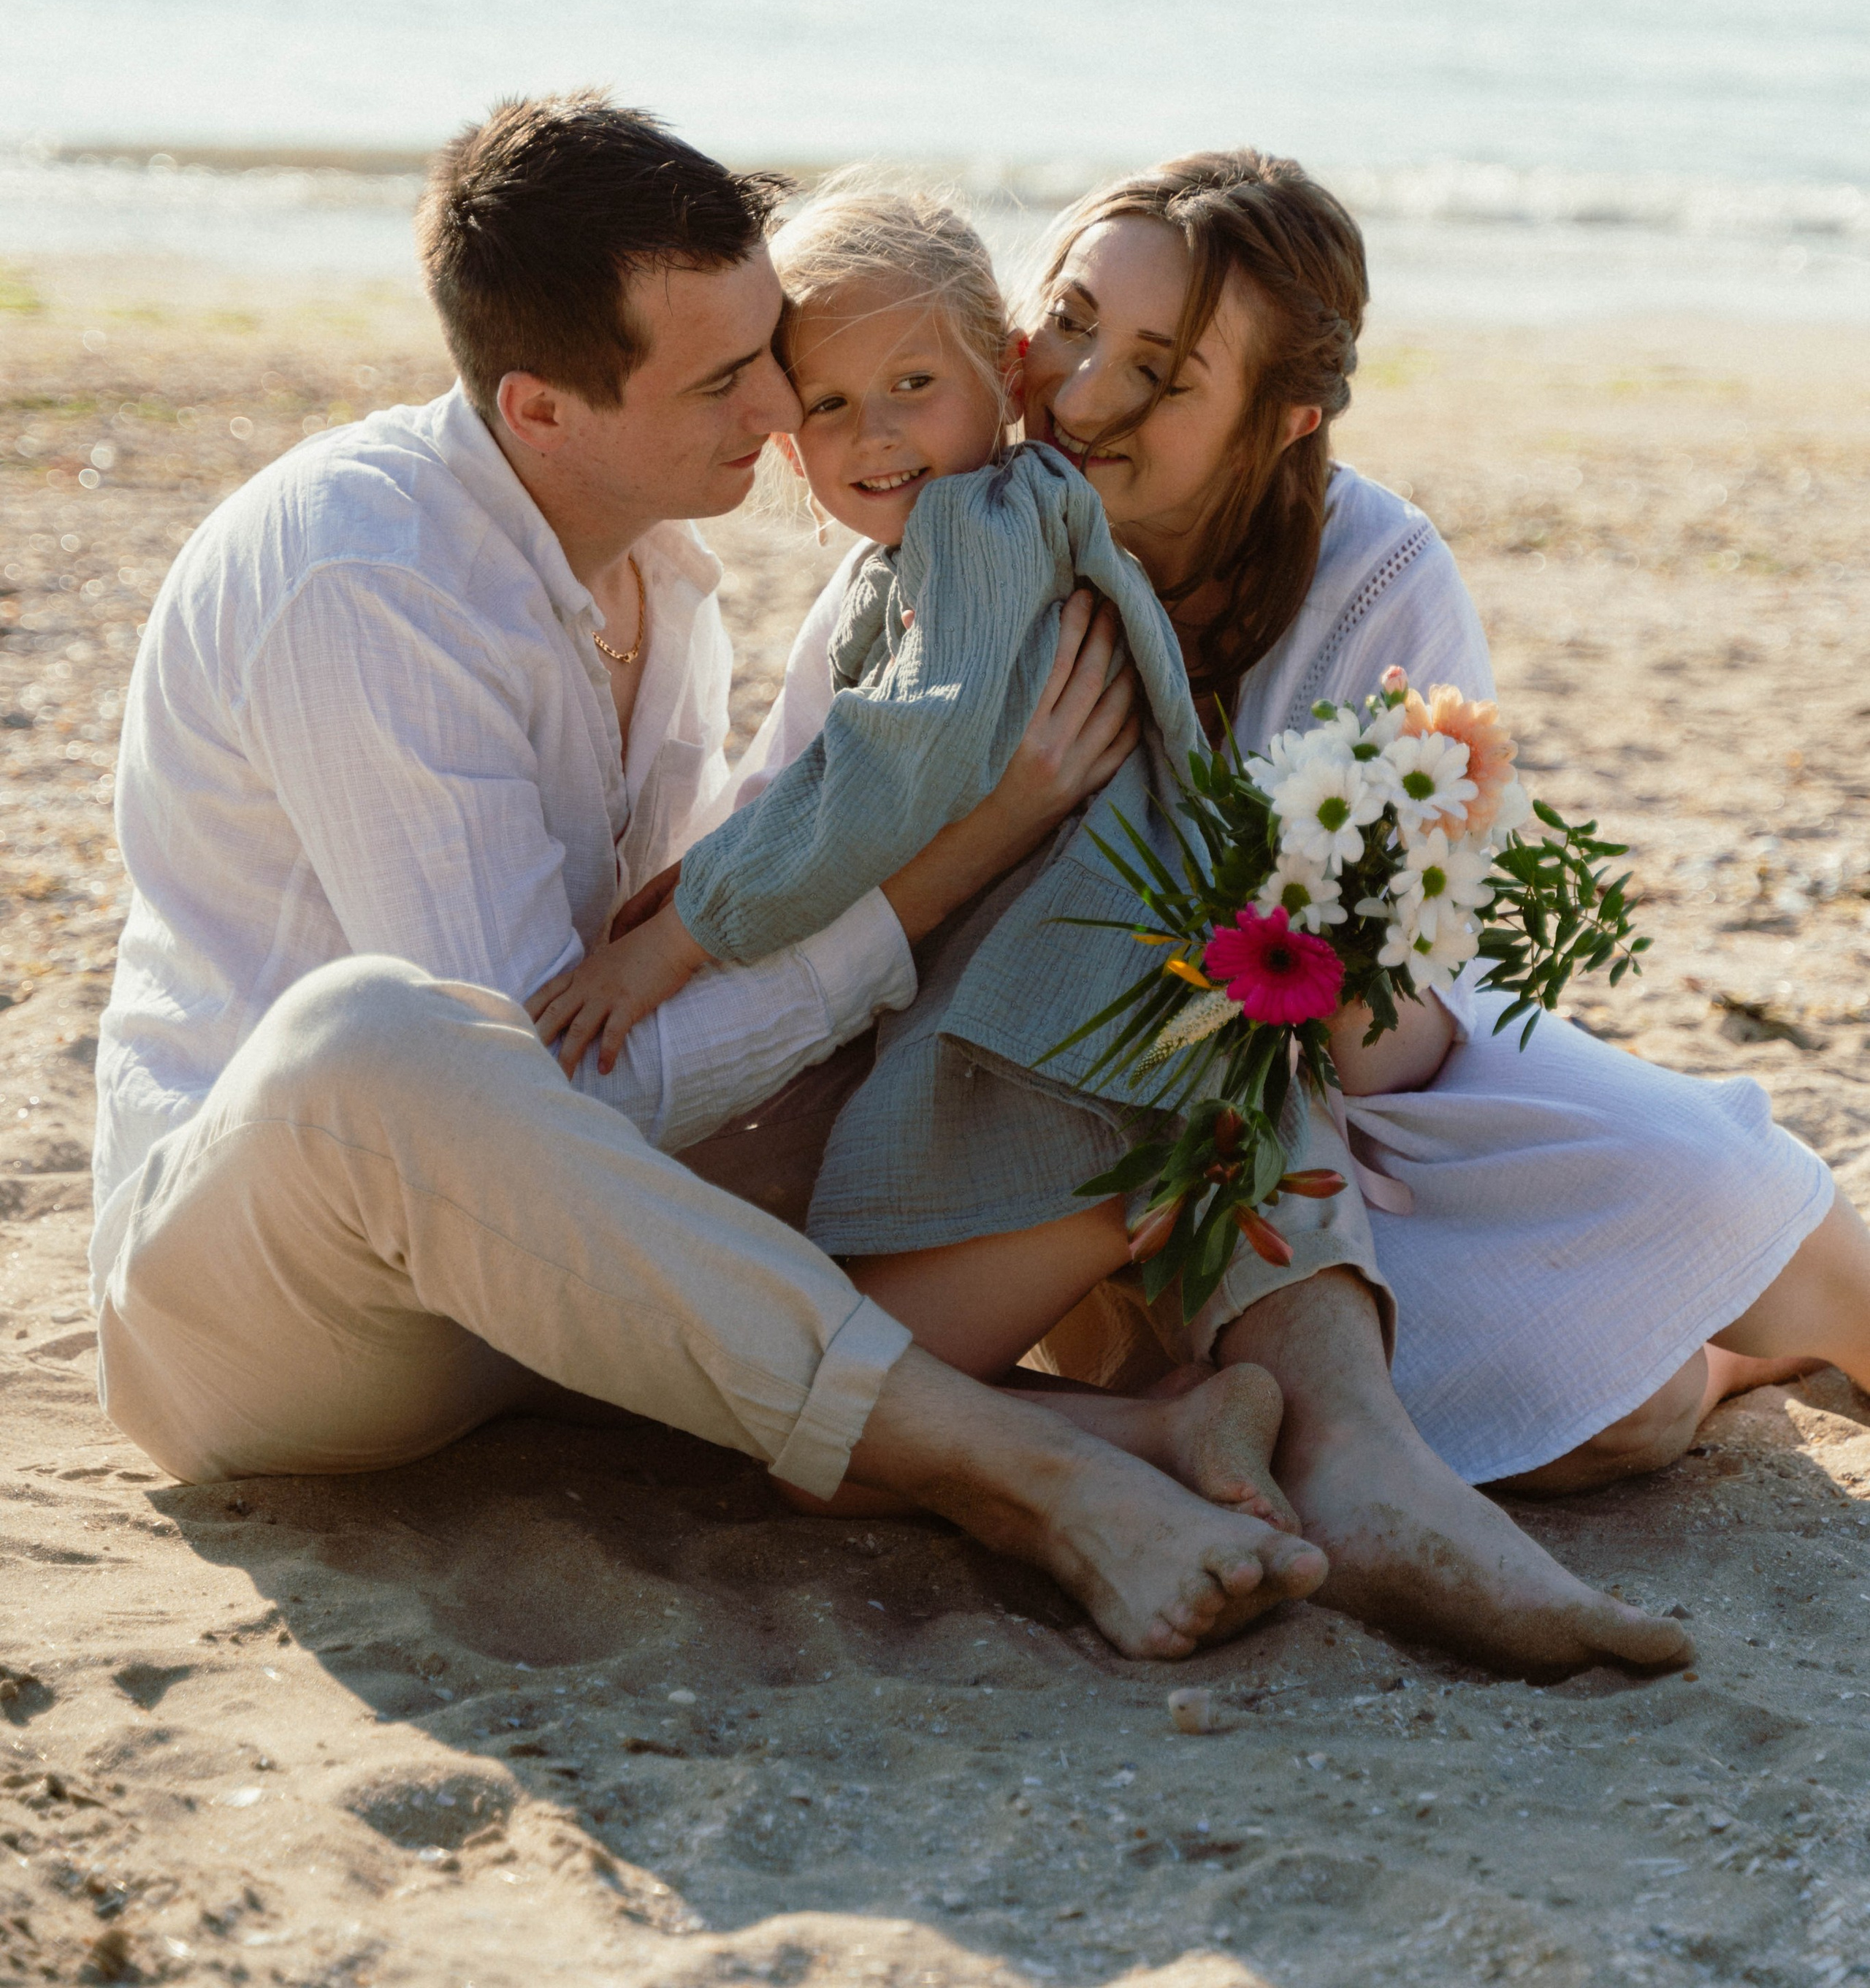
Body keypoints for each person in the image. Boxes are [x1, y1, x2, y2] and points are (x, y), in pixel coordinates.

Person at [86, 94, 1327, 1661]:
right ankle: (1017, 1466)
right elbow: (545, 1101)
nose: (780, 411)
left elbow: (667, 1008)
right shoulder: (362, 572)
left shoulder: (664, 582)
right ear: (541, 411)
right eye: (732, 376)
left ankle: (1158, 1430)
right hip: (277, 1320)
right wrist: (930, 879)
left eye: (769, 349)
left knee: (951, 1046)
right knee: (381, 1037)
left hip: (542, 1305)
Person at [651, 152, 1863, 1676]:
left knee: (1708, 1186)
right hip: (1061, 1134)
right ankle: (1669, 1385)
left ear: (1279, 417)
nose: (1080, 393)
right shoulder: (935, 554)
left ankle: (1750, 1342)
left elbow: (1402, 1040)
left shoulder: (1369, 576)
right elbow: (796, 859)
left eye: (1156, 371)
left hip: (1363, 1094)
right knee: (1588, 1416)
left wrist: (1282, 946)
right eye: (1069, 323)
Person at [531, 176, 1304, 1522]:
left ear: (1004, 377)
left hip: (1079, 1063)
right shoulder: (938, 547)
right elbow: (818, 767)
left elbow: (899, 772)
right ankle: (1169, 1424)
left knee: (817, 1420)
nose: (874, 435)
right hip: (1046, 1040)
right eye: (829, 404)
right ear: (785, 438)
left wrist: (677, 938)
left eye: (912, 386)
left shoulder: (983, 536)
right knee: (815, 1392)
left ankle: (1167, 1418)